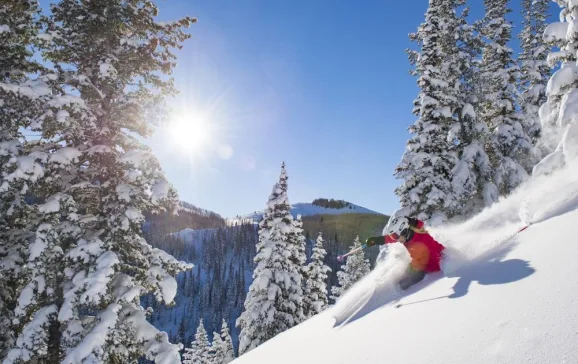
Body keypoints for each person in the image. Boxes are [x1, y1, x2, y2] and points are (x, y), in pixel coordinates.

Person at [365, 216, 445, 290]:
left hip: (434, 267)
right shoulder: (407, 236)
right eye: (393, 236)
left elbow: (427, 262)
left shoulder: (420, 241)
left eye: (395, 236)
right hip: (422, 264)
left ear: (404, 231)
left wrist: (409, 276)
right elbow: (390, 238)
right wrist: (376, 240)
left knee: (403, 284)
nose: (395, 239)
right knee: (401, 278)